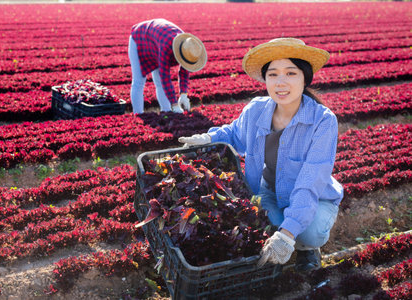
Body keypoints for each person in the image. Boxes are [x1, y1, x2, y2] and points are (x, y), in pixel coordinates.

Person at [178, 38, 343, 272]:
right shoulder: (256, 109)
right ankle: (286, 231)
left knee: (309, 231)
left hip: (315, 196)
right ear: (265, 79)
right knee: (265, 226)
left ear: (305, 78)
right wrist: (207, 138)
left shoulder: (322, 121)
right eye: (273, 74)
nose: (281, 82)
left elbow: (310, 180)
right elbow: (234, 133)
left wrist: (287, 235)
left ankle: (308, 249)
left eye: (291, 73)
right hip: (271, 191)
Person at [128, 18, 207, 114]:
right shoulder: (167, 46)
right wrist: (174, 104)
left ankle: (167, 112)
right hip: (140, 38)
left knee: (159, 84)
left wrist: (183, 94)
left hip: (156, 40)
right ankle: (138, 114)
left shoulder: (187, 47)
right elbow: (164, 77)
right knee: (138, 81)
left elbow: (184, 72)